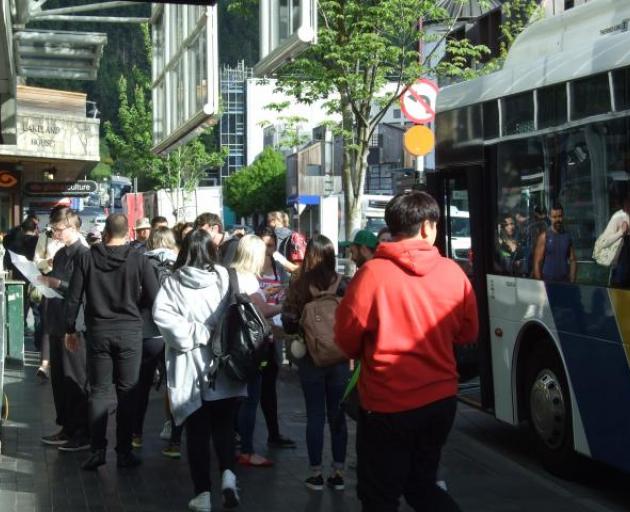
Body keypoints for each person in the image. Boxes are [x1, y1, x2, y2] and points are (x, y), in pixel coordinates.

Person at [334, 191, 479, 512]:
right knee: (420, 485)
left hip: (387, 406)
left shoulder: (371, 276)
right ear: (427, 228)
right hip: (440, 401)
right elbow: (469, 333)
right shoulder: (454, 273)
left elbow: (345, 341)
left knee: (379, 495)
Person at [153, 229, 243, 512]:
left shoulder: (173, 282)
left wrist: (197, 333)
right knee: (225, 426)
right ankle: (228, 476)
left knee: (198, 432)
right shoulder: (225, 277)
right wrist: (213, 333)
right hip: (225, 366)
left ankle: (202, 494)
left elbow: (164, 320)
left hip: (189, 368)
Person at [65, 213, 160, 470]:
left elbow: (73, 297)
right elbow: (155, 298)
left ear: (106, 231)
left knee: (99, 390)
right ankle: (124, 451)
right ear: (128, 231)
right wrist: (135, 307)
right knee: (128, 391)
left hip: (98, 331)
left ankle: (97, 450)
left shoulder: (87, 257)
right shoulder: (139, 260)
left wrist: (70, 328)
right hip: (130, 332)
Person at [282, 235, 350, 491]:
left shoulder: (298, 282)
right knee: (338, 414)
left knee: (314, 415)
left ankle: (316, 473)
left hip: (310, 357)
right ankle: (339, 472)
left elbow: (288, 320)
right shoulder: (343, 284)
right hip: (340, 358)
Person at [38, 208, 90, 452]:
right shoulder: (60, 254)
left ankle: (82, 431)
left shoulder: (83, 254)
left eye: (58, 229)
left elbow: (83, 290)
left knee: (75, 377)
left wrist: (56, 283)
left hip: (74, 324)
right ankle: (67, 425)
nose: (55, 233)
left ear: (73, 227)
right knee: (59, 378)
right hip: (58, 320)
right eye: (53, 229)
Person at [231, 234, 283, 467]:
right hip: (252, 347)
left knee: (241, 398)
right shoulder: (249, 279)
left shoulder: (231, 274)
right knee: (251, 399)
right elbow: (262, 311)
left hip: (237, 345)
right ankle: (248, 450)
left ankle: (238, 444)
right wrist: (286, 303)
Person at [132, 227, 179, 455]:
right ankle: (175, 441)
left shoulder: (141, 262)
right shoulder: (181, 264)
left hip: (147, 332)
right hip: (174, 334)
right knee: (174, 386)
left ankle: (137, 435)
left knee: (141, 386)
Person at [257, 227, 295, 449]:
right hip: (257, 335)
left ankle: (274, 433)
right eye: (264, 246)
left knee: (270, 386)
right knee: (252, 389)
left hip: (275, 334)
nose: (267, 251)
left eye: (271, 246)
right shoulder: (249, 270)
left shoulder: (278, 268)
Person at [33, 206, 66, 380]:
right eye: (53, 225)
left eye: (58, 226)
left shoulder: (75, 239)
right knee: (47, 323)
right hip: (49, 284)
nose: (55, 230)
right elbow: (36, 261)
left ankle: (61, 361)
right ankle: (44, 363)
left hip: (68, 286)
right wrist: (48, 261)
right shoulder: (44, 238)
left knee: (67, 324)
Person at [532, 204, 577, 283]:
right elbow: (537, 262)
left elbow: (572, 260)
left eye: (560, 216)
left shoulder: (567, 236)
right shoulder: (544, 236)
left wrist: (572, 281)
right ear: (549, 217)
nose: (557, 219)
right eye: (554, 217)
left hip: (564, 281)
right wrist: (540, 284)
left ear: (563, 216)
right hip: (548, 281)